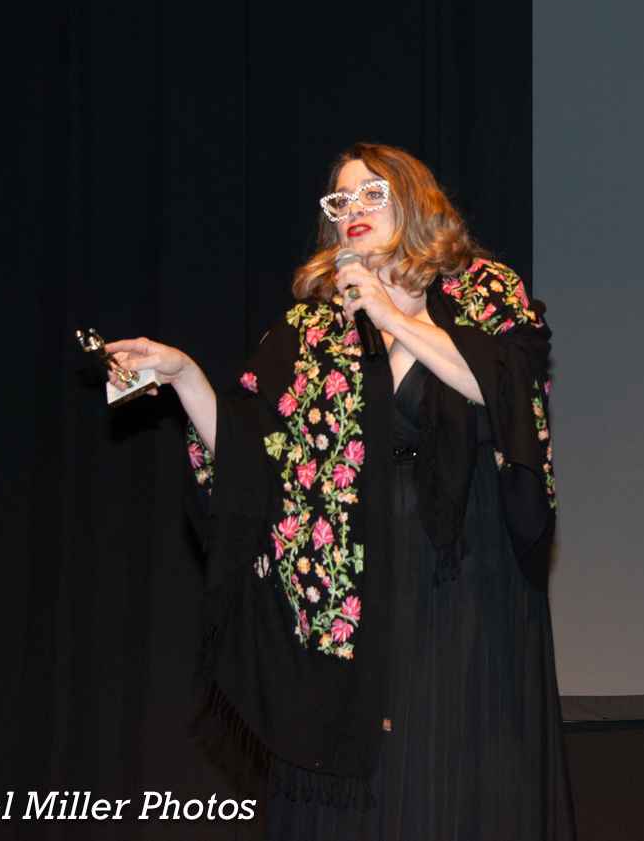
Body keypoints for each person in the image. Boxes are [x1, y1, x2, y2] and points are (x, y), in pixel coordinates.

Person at [106, 143, 576, 840]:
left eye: (371, 194)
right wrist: (184, 377)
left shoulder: (480, 289)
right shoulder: (310, 328)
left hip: (465, 579)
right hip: (353, 593)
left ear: (413, 200)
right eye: (341, 200)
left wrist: (392, 316)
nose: (352, 209)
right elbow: (253, 453)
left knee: (449, 775)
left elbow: (506, 390)